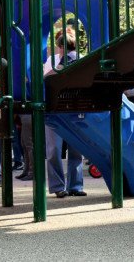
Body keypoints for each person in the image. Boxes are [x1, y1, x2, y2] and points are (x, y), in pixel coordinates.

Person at [45, 28, 86, 198]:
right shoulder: (53, 60)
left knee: (74, 148)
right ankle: (59, 186)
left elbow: (47, 76)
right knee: (55, 148)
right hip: (60, 108)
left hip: (67, 107)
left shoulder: (71, 59)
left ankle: (73, 185)